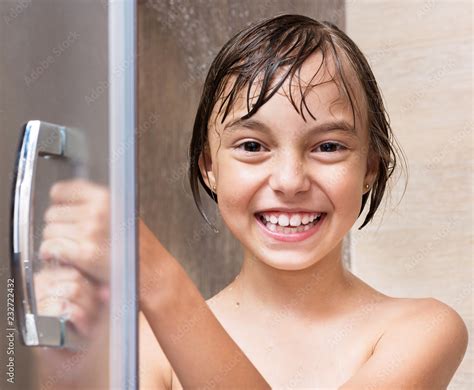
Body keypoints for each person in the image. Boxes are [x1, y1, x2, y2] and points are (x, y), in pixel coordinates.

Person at [39, 14, 468, 389]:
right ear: (209, 166)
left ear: (370, 169)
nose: (289, 180)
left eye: (329, 147)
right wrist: (61, 364)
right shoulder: (149, 344)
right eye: (251, 145)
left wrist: (156, 278)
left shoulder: (422, 331)